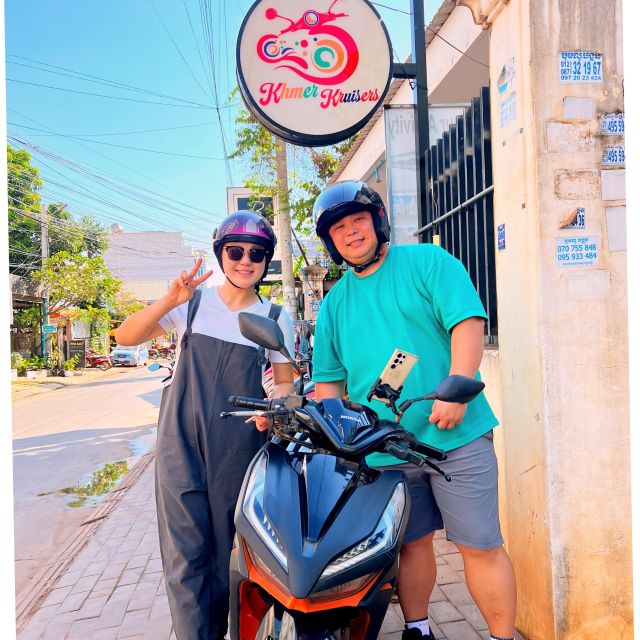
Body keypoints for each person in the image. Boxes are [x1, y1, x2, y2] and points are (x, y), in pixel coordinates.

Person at [310, 180, 517, 640]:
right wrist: (333, 435)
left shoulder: (428, 262)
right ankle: (418, 627)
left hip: (454, 438)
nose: (351, 233)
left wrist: (457, 389)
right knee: (410, 545)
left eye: (358, 220)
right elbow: (328, 384)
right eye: (339, 228)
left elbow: (467, 322)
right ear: (330, 241)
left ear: (378, 221)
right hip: (383, 450)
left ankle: (504, 636)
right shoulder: (333, 306)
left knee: (479, 545)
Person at [115, 211, 295, 640]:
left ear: (265, 261)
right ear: (221, 254)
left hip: (239, 449)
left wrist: (277, 406)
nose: (245, 261)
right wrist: (169, 300)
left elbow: (285, 379)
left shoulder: (274, 315)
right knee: (184, 559)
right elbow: (124, 337)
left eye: (257, 254)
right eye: (235, 251)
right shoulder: (192, 305)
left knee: (229, 558)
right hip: (180, 447)